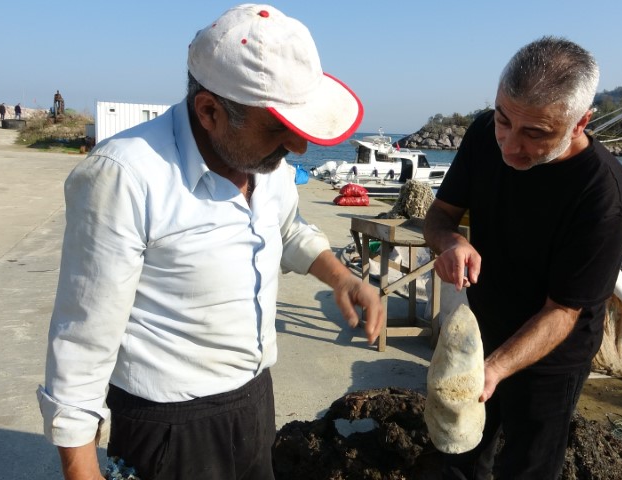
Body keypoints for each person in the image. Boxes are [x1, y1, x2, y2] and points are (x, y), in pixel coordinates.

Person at [37, 5, 382, 480]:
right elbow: (80, 343)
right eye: (280, 127)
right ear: (209, 111)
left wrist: (340, 275)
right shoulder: (125, 177)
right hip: (169, 428)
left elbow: (286, 227)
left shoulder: (268, 164)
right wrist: (81, 471)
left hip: (254, 402)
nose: (298, 148)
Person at [423, 36, 622, 480]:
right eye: (503, 121)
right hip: (481, 331)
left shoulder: (600, 192)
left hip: (552, 354)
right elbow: (439, 216)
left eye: (535, 134)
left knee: (528, 468)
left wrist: (494, 370)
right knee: (456, 459)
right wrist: (451, 242)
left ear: (580, 123)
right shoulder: (484, 134)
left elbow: (564, 310)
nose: (510, 146)